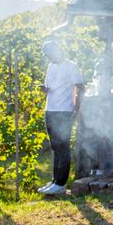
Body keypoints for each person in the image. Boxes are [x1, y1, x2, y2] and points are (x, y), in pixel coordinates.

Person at [39, 41, 84, 196]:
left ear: (57, 51)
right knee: (55, 147)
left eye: (49, 54)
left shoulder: (71, 66)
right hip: (50, 109)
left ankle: (61, 183)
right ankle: (55, 180)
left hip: (64, 111)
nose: (48, 58)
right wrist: (45, 89)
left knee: (63, 146)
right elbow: (51, 87)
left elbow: (80, 87)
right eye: (46, 55)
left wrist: (76, 109)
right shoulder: (51, 67)